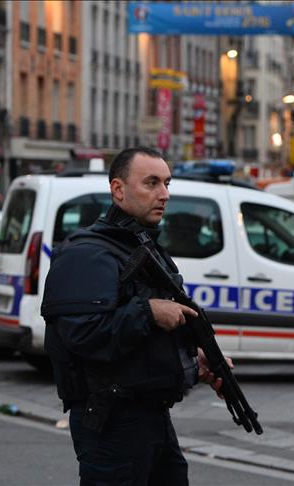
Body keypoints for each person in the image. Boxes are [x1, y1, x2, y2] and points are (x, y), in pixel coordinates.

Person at [41, 146, 226, 485]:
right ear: (118, 190)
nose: (164, 194)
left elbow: (147, 340)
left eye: (167, 183)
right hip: (112, 420)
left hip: (152, 415)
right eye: (152, 183)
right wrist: (148, 311)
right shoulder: (87, 255)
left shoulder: (142, 247)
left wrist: (194, 359)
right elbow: (81, 335)